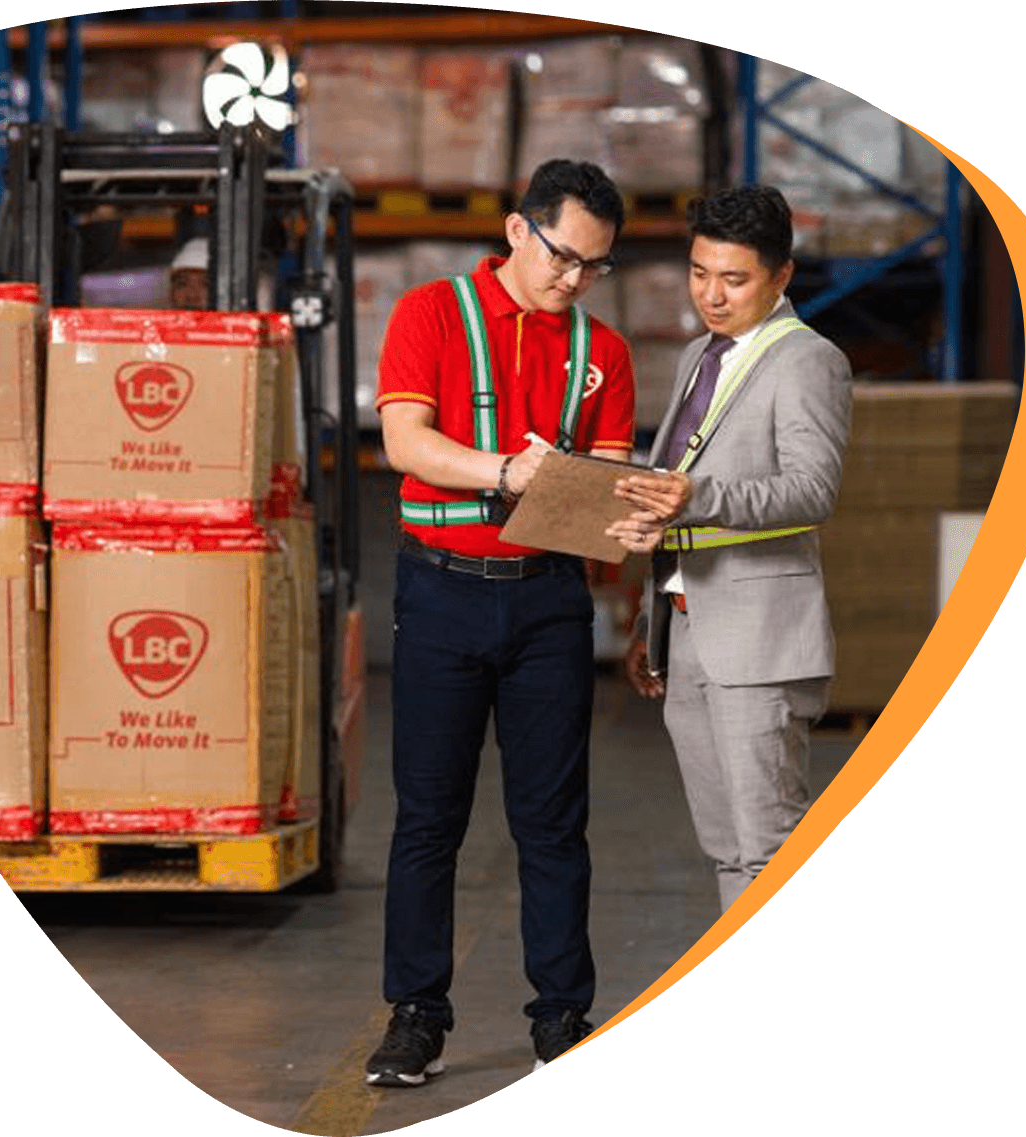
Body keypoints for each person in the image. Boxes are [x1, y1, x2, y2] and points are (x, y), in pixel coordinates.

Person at [365, 159, 657, 1085]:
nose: (574, 280)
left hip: (548, 602)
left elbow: (606, 472)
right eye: (565, 256)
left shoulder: (603, 351)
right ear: (517, 231)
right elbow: (404, 442)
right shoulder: (428, 315)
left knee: (552, 821)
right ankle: (416, 1015)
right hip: (440, 589)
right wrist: (506, 472)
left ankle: (562, 1015)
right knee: (428, 817)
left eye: (595, 267)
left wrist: (625, 517)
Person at [606, 184, 854, 913]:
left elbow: (812, 490)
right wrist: (651, 618)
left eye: (734, 279)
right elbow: (672, 486)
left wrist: (697, 497)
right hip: (689, 633)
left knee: (768, 848)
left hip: (760, 644)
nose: (711, 295)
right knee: (726, 849)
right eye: (699, 272)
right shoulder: (698, 356)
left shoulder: (807, 361)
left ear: (781, 276)